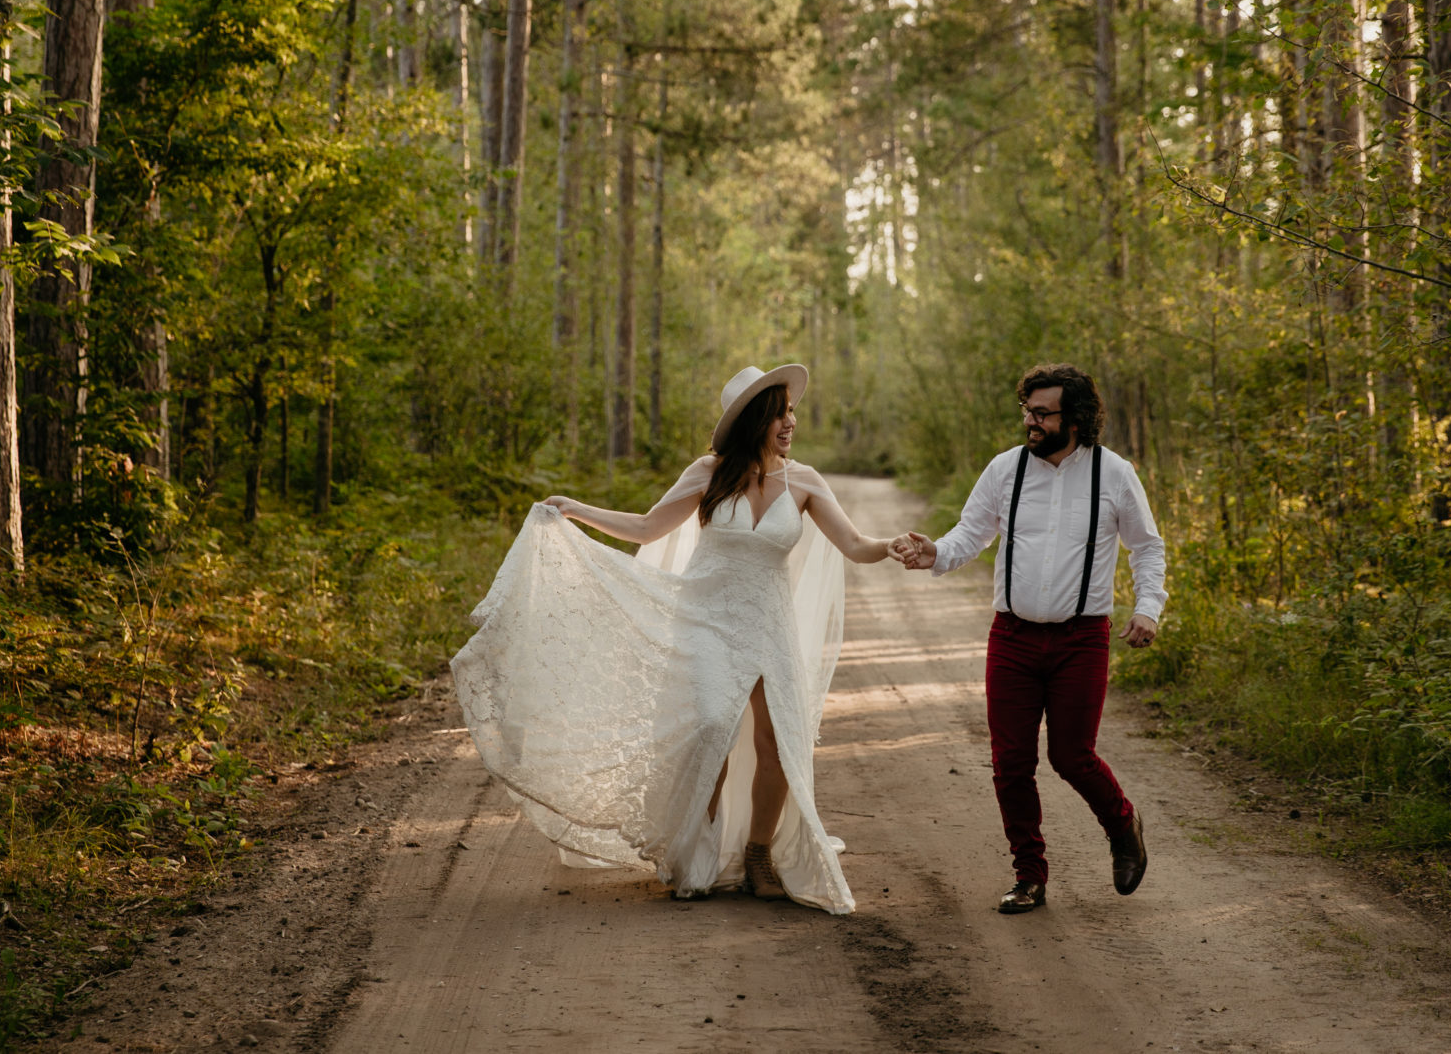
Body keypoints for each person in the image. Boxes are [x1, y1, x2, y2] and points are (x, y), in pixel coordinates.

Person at [450, 364, 898, 914]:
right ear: (756, 420)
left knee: (779, 743)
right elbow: (646, 527)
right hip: (705, 620)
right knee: (710, 728)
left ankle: (758, 855)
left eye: (790, 412)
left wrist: (894, 545)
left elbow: (854, 543)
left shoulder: (803, 482)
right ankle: (698, 851)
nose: (791, 422)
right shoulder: (710, 472)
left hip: (769, 627)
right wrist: (575, 510)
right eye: (780, 413)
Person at [890, 363, 1166, 914]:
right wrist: (934, 553)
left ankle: (1122, 823)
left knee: (1071, 756)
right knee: (1011, 763)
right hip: (1012, 637)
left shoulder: (1114, 474)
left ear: (1077, 418)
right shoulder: (1005, 469)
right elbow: (972, 532)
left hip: (1082, 638)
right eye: (1028, 411)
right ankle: (1029, 876)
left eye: (1043, 413)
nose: (1031, 422)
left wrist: (1148, 608)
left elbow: (1147, 546)